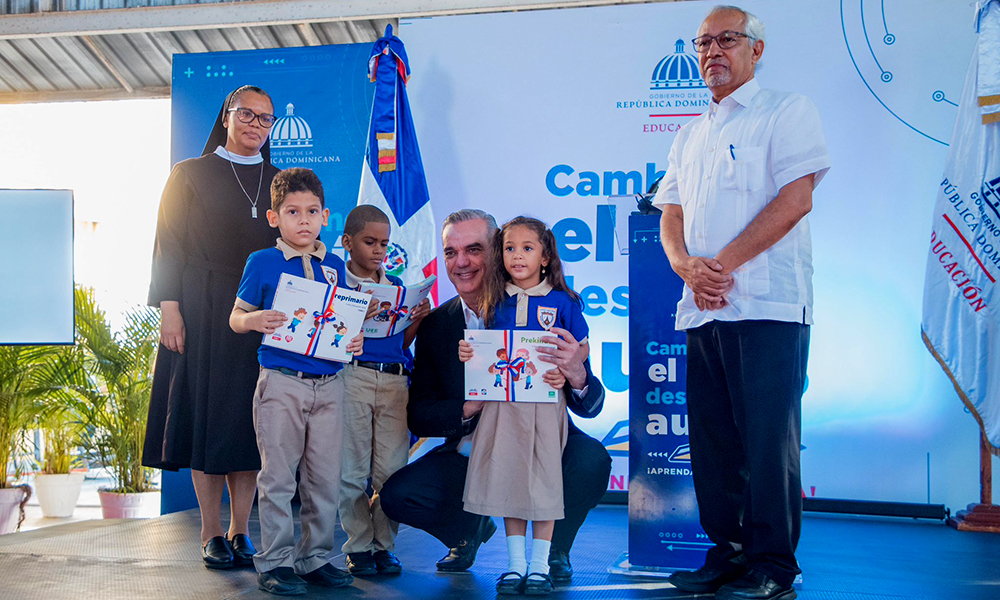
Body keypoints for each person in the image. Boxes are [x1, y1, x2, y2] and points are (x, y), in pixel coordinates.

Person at [653, 6, 830, 600]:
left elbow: (796, 198)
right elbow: (669, 211)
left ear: (756, 50)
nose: (711, 52)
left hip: (768, 307)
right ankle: (726, 554)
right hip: (704, 309)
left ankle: (774, 566)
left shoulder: (786, 110)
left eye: (725, 40)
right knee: (713, 441)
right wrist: (683, 266)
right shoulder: (689, 132)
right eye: (702, 43)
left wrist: (719, 265)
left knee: (766, 440)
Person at [380, 209, 611, 585]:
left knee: (591, 461)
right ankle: (469, 531)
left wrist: (577, 374)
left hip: (543, 439)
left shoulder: (552, 308)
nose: (462, 262)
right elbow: (420, 414)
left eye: (474, 249)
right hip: (475, 448)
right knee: (400, 495)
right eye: (451, 252)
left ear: (498, 254)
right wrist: (468, 408)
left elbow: (591, 403)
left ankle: (552, 551)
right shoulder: (437, 325)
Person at [144, 85, 281, 569]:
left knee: (247, 423)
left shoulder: (280, 180)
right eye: (247, 114)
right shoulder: (189, 174)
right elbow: (169, 245)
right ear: (227, 115)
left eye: (266, 119)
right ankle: (209, 532)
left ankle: (241, 530)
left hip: (261, 313)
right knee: (208, 418)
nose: (256, 125)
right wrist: (170, 308)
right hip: (201, 305)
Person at [230, 167, 363, 596]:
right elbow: (235, 318)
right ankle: (276, 561)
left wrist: (352, 340)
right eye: (292, 212)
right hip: (282, 382)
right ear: (275, 218)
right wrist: (254, 319)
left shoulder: (335, 266)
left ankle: (316, 557)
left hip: (330, 382)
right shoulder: (262, 262)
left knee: (325, 477)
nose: (303, 220)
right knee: (279, 477)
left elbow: (339, 322)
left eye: (311, 212)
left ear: (325, 215)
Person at [457, 216, 589, 595]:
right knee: (510, 481)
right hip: (502, 406)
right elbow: (485, 351)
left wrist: (568, 369)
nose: (517, 256)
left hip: (545, 407)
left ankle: (539, 566)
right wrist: (470, 352)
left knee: (543, 483)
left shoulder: (563, 301)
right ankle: (515, 565)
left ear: (545, 257)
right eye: (510, 248)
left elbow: (581, 348)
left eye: (527, 248)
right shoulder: (495, 300)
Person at [337, 204, 430, 576]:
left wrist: (416, 321)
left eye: (385, 244)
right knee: (351, 468)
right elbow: (329, 337)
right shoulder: (336, 283)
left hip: (394, 381)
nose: (378, 250)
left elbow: (398, 343)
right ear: (347, 242)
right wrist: (359, 314)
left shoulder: (395, 286)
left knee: (391, 470)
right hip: (353, 376)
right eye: (370, 242)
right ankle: (358, 545)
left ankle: (384, 545)